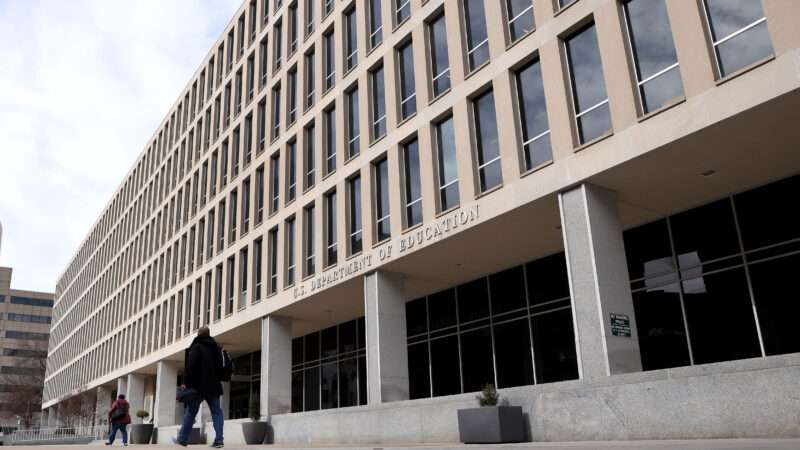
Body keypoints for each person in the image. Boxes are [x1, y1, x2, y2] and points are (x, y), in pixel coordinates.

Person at [174, 326, 224, 448]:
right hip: (213, 386)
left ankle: (183, 438)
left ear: (198, 334)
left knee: (191, 411)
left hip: (198, 386)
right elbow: (220, 368)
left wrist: (186, 382)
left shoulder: (196, 347)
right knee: (217, 412)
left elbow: (190, 367)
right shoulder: (216, 348)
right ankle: (219, 440)